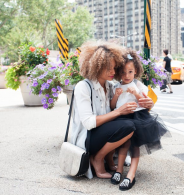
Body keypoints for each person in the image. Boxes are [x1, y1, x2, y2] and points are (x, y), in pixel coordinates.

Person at [70, 41, 155, 180]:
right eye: (109, 68)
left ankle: (109, 159)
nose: (113, 72)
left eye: (115, 68)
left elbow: (135, 98)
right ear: (97, 66)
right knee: (128, 126)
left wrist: (149, 103)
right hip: (87, 138)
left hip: (104, 134)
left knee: (130, 124)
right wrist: (119, 111)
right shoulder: (83, 87)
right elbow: (89, 123)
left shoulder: (111, 86)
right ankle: (97, 158)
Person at [110, 49, 169, 190]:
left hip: (137, 117)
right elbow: (112, 106)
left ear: (135, 71)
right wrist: (116, 96)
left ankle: (131, 174)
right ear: (119, 72)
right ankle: (119, 170)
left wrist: (136, 93)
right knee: (124, 144)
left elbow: (144, 102)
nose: (126, 75)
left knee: (135, 146)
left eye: (130, 72)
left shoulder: (138, 85)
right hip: (121, 117)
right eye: (123, 72)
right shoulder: (117, 86)